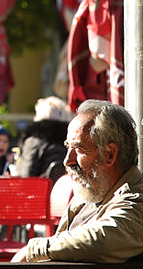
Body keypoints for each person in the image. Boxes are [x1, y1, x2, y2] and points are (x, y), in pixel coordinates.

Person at [11, 100, 143, 264]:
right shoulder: (91, 192)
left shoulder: (136, 198)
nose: (67, 160)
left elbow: (104, 237)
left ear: (110, 154)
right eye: (68, 148)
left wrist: (36, 249)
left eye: (79, 150)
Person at [18, 95, 72, 182]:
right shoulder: (72, 141)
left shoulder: (33, 141)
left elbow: (26, 175)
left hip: (39, 192)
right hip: (67, 192)